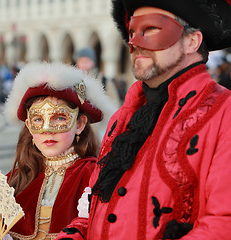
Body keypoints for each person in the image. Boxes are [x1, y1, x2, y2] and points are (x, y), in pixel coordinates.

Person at [56, 0, 231, 239]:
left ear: (192, 41)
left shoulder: (224, 113)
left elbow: (223, 224)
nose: (135, 42)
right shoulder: (122, 119)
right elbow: (92, 212)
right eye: (132, 32)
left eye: (150, 29)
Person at [0, 62, 117, 240]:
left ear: (79, 124)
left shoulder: (94, 176)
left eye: (60, 118)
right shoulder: (15, 180)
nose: (48, 130)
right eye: (38, 120)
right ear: (29, 126)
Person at [75, 47, 120, 144]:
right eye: (81, 61)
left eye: (87, 61)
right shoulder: (73, 80)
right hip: (77, 126)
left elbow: (114, 104)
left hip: (98, 127)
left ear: (93, 62)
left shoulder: (104, 81)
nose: (84, 63)